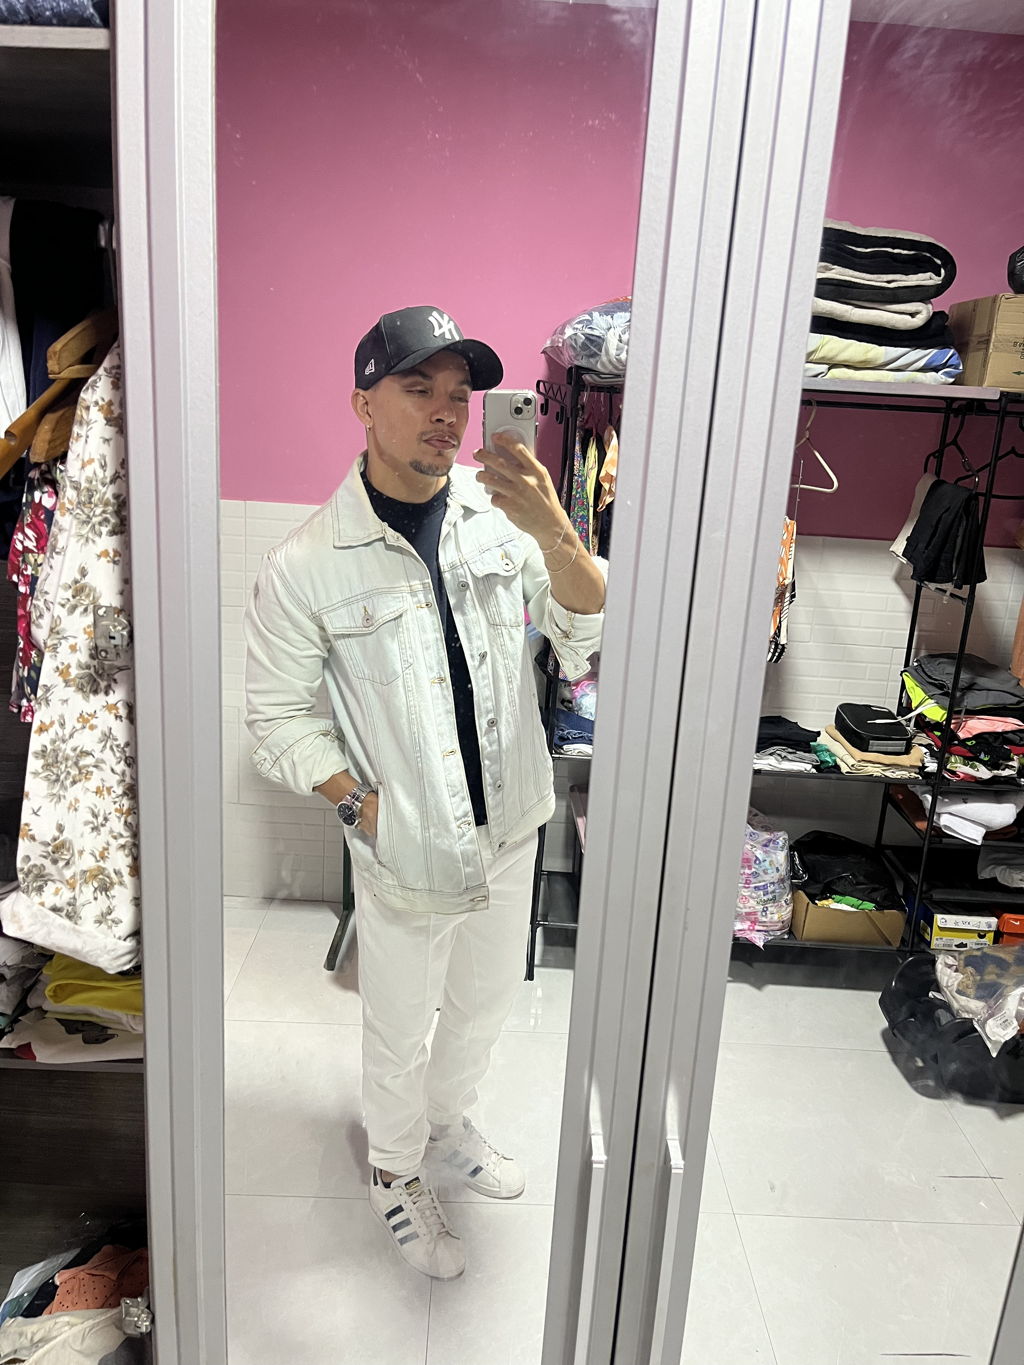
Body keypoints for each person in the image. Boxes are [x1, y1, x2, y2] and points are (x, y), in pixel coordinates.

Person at [243, 306, 606, 1280]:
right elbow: (276, 719)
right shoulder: (307, 563)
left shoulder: (502, 519)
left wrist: (556, 530)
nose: (448, 411)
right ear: (363, 404)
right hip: (403, 840)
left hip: (513, 821)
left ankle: (448, 1126)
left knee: (483, 1004)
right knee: (399, 1025)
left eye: (459, 394)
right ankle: (394, 1171)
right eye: (419, 389)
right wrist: (361, 806)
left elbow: (581, 637)